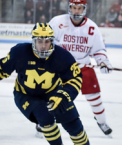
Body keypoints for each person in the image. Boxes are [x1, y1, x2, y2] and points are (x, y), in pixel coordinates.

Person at [0, 23, 107, 145]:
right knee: (44, 114)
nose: (43, 46)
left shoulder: (63, 56)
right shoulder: (20, 53)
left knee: (71, 119)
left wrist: (64, 95)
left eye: (47, 41)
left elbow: (75, 78)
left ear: (52, 42)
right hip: (26, 95)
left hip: (53, 93)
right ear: (33, 41)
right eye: (40, 41)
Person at [49, 0, 113, 135]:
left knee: (94, 95)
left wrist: (102, 61)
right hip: (61, 67)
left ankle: (101, 121)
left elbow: (99, 50)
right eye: (73, 8)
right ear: (69, 8)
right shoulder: (57, 22)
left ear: (84, 9)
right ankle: (45, 121)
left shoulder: (92, 27)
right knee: (52, 95)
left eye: (79, 8)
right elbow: (47, 43)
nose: (76, 11)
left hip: (83, 66)